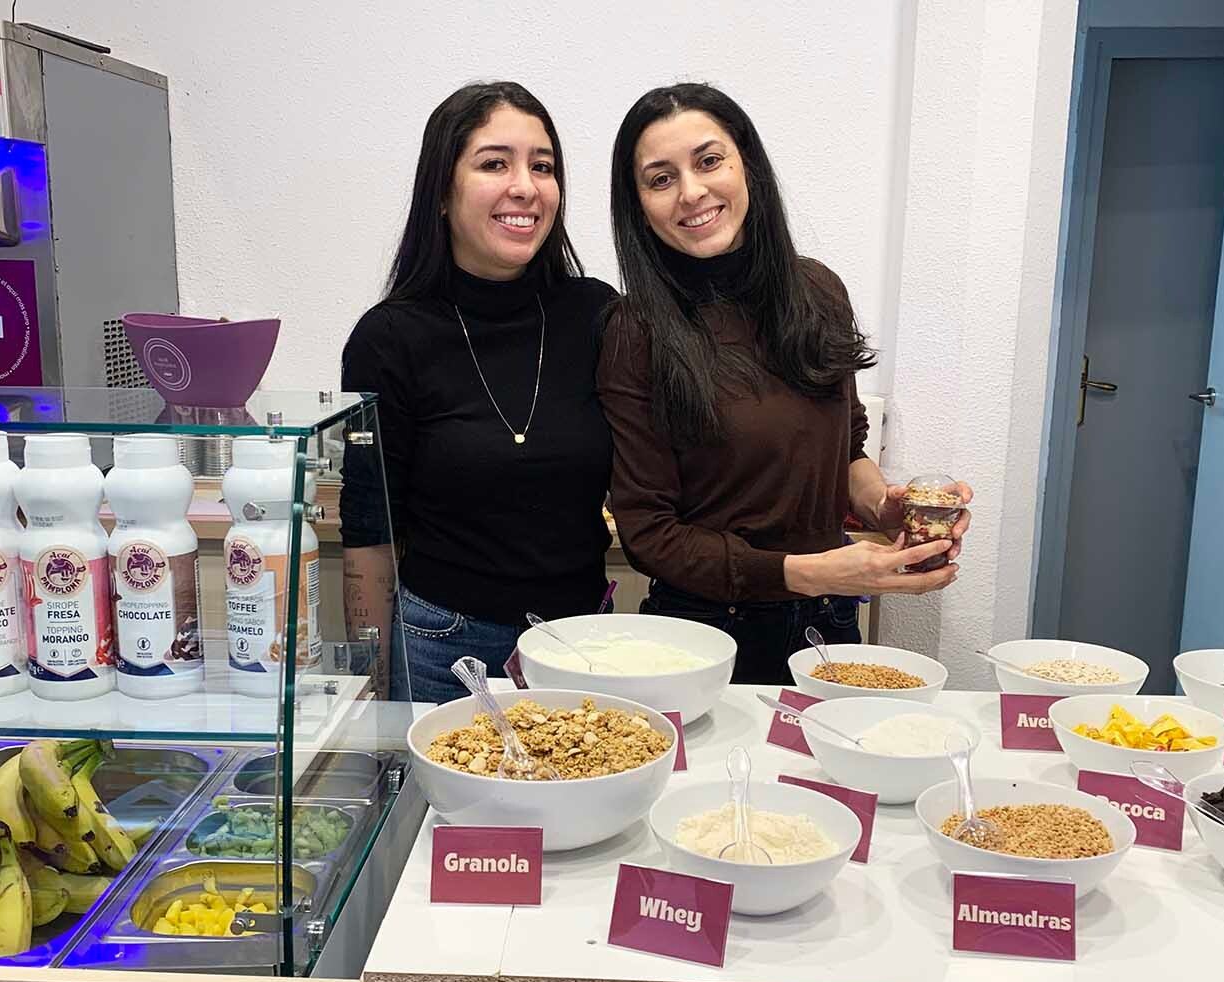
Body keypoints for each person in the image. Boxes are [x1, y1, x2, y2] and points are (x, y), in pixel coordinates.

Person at [599, 83, 971, 684]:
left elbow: (846, 450)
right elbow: (650, 537)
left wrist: (887, 504)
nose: (692, 192)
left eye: (709, 160)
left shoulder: (818, 291)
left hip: (830, 627)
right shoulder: (634, 329)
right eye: (660, 178)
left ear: (748, 164)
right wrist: (819, 571)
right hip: (703, 638)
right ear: (638, 203)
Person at [340, 82, 617, 704]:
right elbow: (369, 527)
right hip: (442, 644)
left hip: (584, 642)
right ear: (442, 191)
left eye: (542, 166)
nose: (525, 186)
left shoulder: (597, 315)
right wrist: (373, 685)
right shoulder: (391, 337)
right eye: (495, 163)